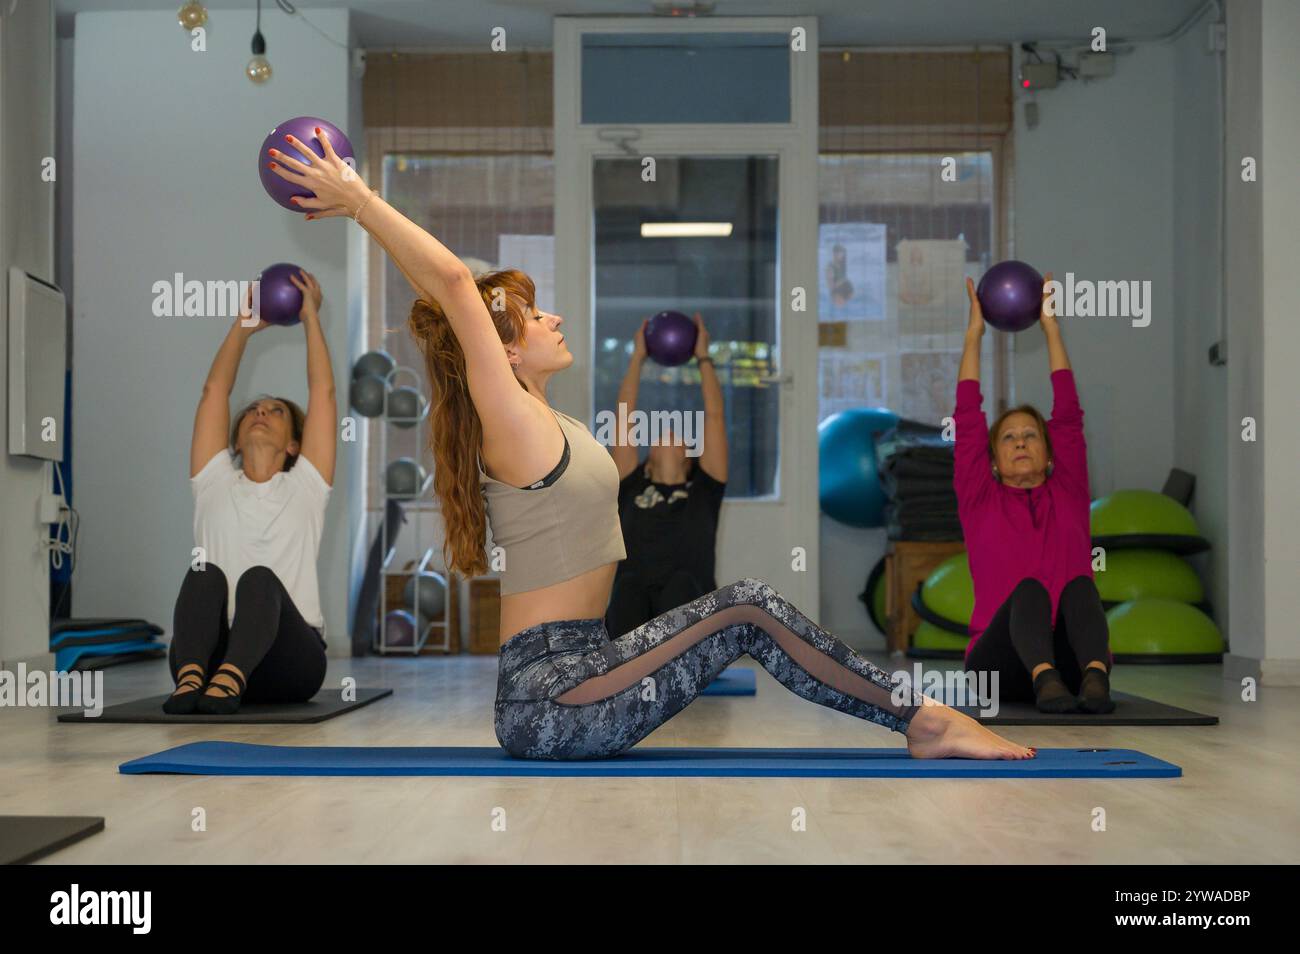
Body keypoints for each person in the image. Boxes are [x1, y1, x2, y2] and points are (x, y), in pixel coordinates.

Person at [267, 127, 1034, 760]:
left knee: (744, 612)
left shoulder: (556, 424)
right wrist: (360, 201)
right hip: (551, 696)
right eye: (535, 318)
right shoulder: (506, 418)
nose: (554, 320)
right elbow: (458, 289)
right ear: (501, 352)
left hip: (585, 667)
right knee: (747, 608)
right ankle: (922, 720)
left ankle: (918, 720)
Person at [165, 271, 334, 715]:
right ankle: (193, 681)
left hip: (289, 662)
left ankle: (231, 678)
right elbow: (213, 391)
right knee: (204, 573)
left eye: (276, 411)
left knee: (259, 579)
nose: (261, 412)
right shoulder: (213, 480)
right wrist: (242, 326)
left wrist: (310, 316)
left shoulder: (306, 486)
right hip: (206, 658)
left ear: (294, 443)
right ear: (234, 441)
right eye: (253, 411)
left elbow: (323, 392)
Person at [955, 273, 1115, 714]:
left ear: (1049, 456)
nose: (1021, 442)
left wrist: (1051, 329)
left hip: (1071, 665)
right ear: (992, 461)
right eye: (1009, 438)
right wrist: (974, 335)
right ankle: (1044, 680)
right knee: (1029, 591)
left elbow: (1068, 414)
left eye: (1031, 435)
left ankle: (1096, 678)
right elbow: (967, 417)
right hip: (999, 669)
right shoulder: (979, 499)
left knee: (1081, 586)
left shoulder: (1068, 492)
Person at [605, 313, 727, 639]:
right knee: (627, 585)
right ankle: (628, 663)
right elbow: (623, 417)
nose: (669, 432)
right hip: (636, 602)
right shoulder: (632, 484)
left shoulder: (705, 487)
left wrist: (702, 356)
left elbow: (714, 416)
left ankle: (671, 660)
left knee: (682, 584)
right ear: (646, 463)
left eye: (680, 436)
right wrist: (637, 357)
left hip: (687, 603)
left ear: (691, 459)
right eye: (659, 434)